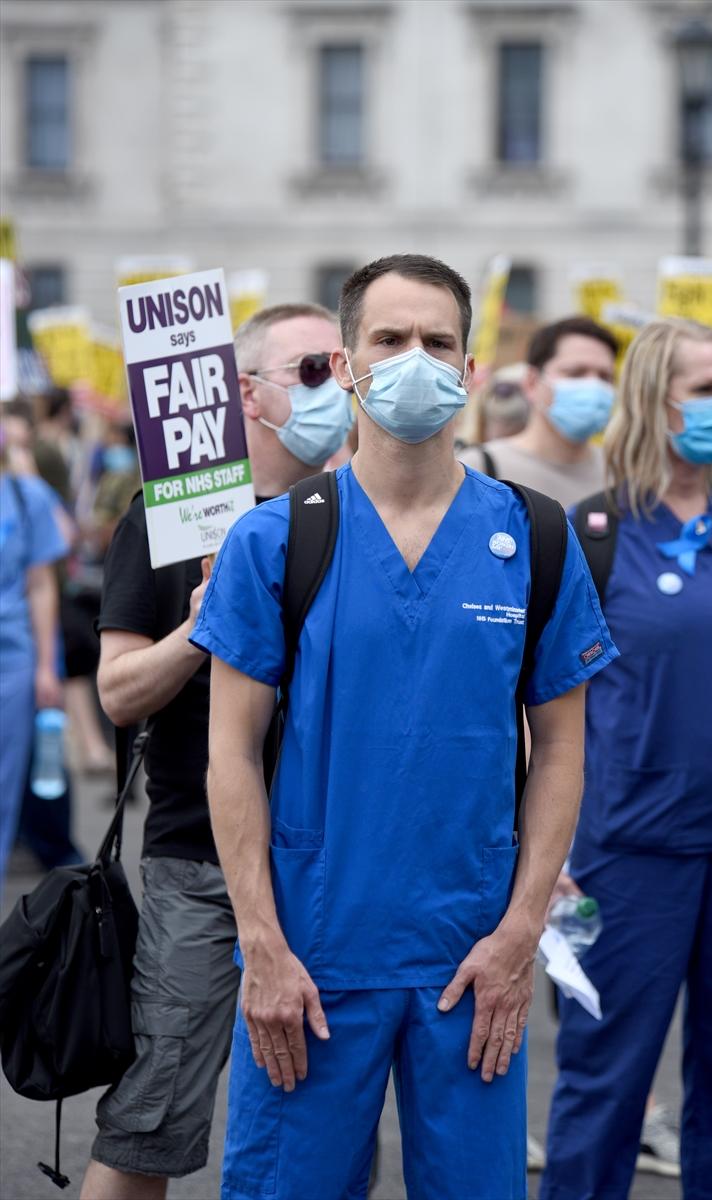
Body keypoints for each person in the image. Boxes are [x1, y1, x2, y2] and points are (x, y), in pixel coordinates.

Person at [191, 253, 618, 1200]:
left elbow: (562, 750)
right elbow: (229, 755)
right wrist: (260, 943)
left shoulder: (536, 539)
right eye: (388, 339)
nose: (413, 359)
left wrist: (517, 936)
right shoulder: (275, 540)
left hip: (469, 965)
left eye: (437, 342)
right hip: (311, 963)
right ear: (346, 364)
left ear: (470, 374)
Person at [79, 302, 352, 1200]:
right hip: (200, 867)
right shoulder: (170, 514)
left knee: (325, 1137)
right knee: (147, 1127)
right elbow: (118, 694)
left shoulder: (365, 513)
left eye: (343, 370)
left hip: (336, 868)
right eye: (312, 371)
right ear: (248, 391)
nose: (337, 389)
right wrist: (200, 628)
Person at [540, 318, 712, 1200]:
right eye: (702, 388)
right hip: (626, 855)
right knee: (604, 1083)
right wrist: (549, 854)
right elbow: (542, 705)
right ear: (653, 398)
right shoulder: (595, 532)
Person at [0, 415, 67, 894]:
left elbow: (42, 585)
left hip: (14, 662)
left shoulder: (27, 496)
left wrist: (46, 666)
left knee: (5, 784)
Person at [460, 315, 617, 506]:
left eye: (605, 377)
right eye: (576, 373)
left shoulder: (622, 473)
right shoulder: (478, 468)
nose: (593, 385)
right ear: (532, 383)